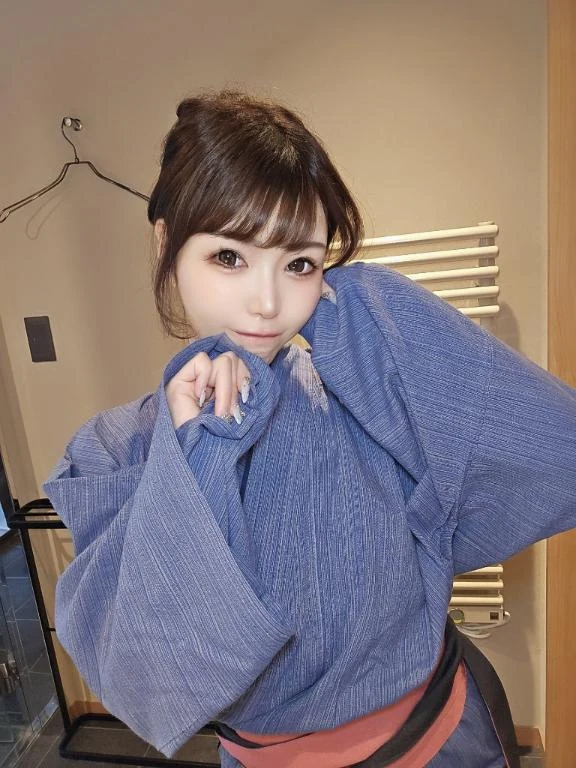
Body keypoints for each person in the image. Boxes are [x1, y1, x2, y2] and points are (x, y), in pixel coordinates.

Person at [44, 91, 576, 768]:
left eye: (299, 263)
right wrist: (194, 454)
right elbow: (150, 680)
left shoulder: (364, 387)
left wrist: (359, 312)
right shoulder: (118, 449)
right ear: (165, 243)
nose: (267, 303)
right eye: (229, 257)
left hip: (443, 739)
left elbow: (557, 450)